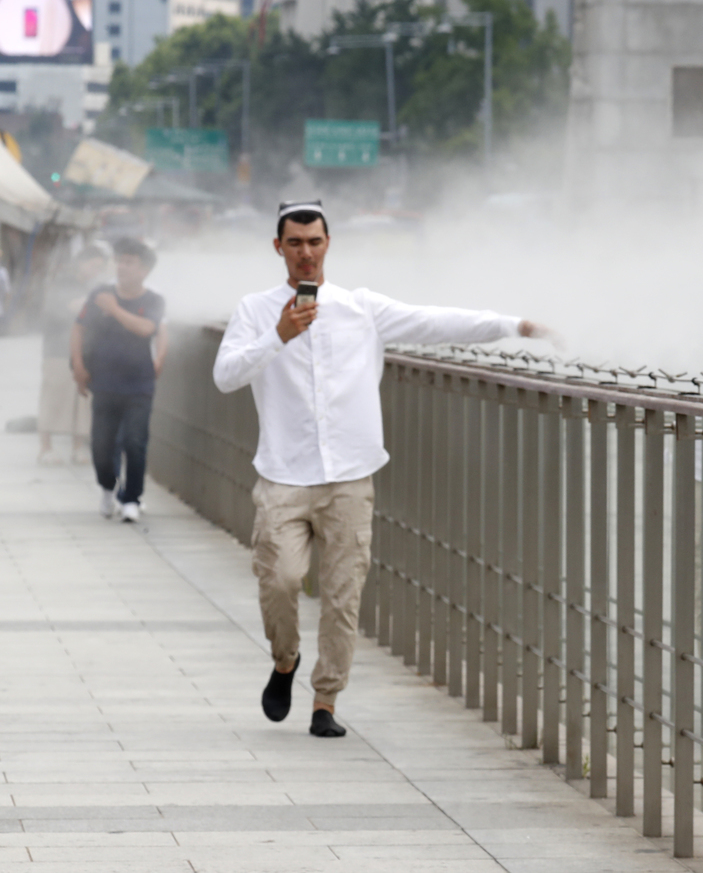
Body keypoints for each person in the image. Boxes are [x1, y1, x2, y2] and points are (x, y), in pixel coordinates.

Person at [212, 200, 554, 738]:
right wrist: (277, 335)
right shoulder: (256, 311)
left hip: (350, 475)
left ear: (329, 245)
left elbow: (433, 321)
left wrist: (513, 325)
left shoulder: (360, 308)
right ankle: (285, 661)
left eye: (315, 241)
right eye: (295, 243)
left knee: (343, 594)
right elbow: (226, 375)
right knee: (279, 580)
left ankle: (325, 702)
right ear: (278, 248)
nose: (306, 253)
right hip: (284, 473)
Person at [72, 238, 167, 524]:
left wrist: (113, 309)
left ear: (145, 270)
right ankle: (107, 487)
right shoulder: (99, 293)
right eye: (120, 261)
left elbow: (146, 328)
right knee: (101, 445)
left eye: (129, 262)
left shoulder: (153, 301)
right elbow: (79, 327)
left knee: (135, 442)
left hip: (139, 384)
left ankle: (131, 498)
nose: (122, 267)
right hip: (103, 382)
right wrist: (78, 365)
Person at [38, 244, 110, 464]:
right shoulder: (62, 282)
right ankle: (45, 448)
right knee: (53, 397)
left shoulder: (97, 287)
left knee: (82, 400)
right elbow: (65, 309)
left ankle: (78, 447)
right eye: (93, 265)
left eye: (100, 267)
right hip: (58, 350)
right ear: (80, 263)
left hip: (86, 351)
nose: (96, 271)